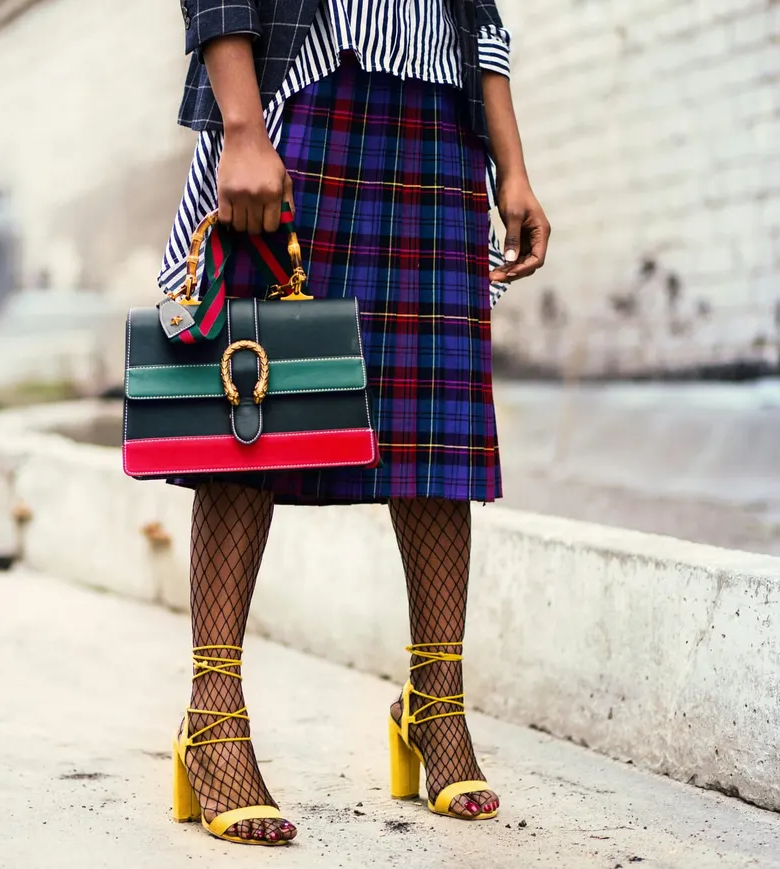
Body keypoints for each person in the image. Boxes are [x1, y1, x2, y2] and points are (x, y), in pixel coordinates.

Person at [162, 0, 550, 846]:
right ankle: (213, 716)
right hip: (303, 101)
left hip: (443, 125)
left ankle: (435, 708)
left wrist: (510, 166)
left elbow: (479, 13)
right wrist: (240, 124)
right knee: (252, 408)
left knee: (435, 429)